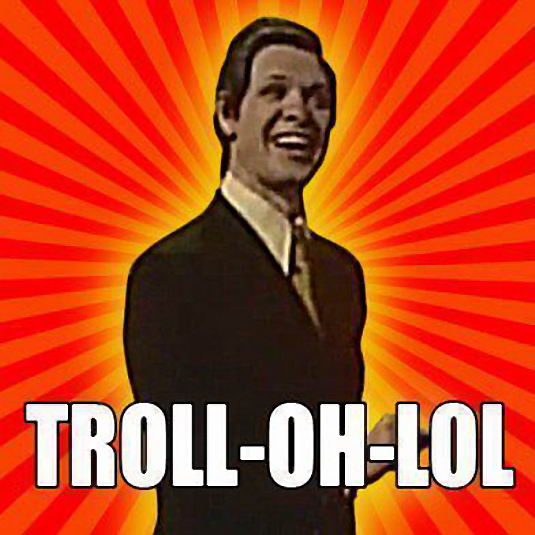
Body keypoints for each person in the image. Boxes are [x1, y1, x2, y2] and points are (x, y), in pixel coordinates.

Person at [124, 17, 396, 535]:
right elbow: (188, 463)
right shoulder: (170, 274)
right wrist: (346, 469)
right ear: (228, 113)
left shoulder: (341, 275)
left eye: (317, 99)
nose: (300, 112)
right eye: (275, 92)